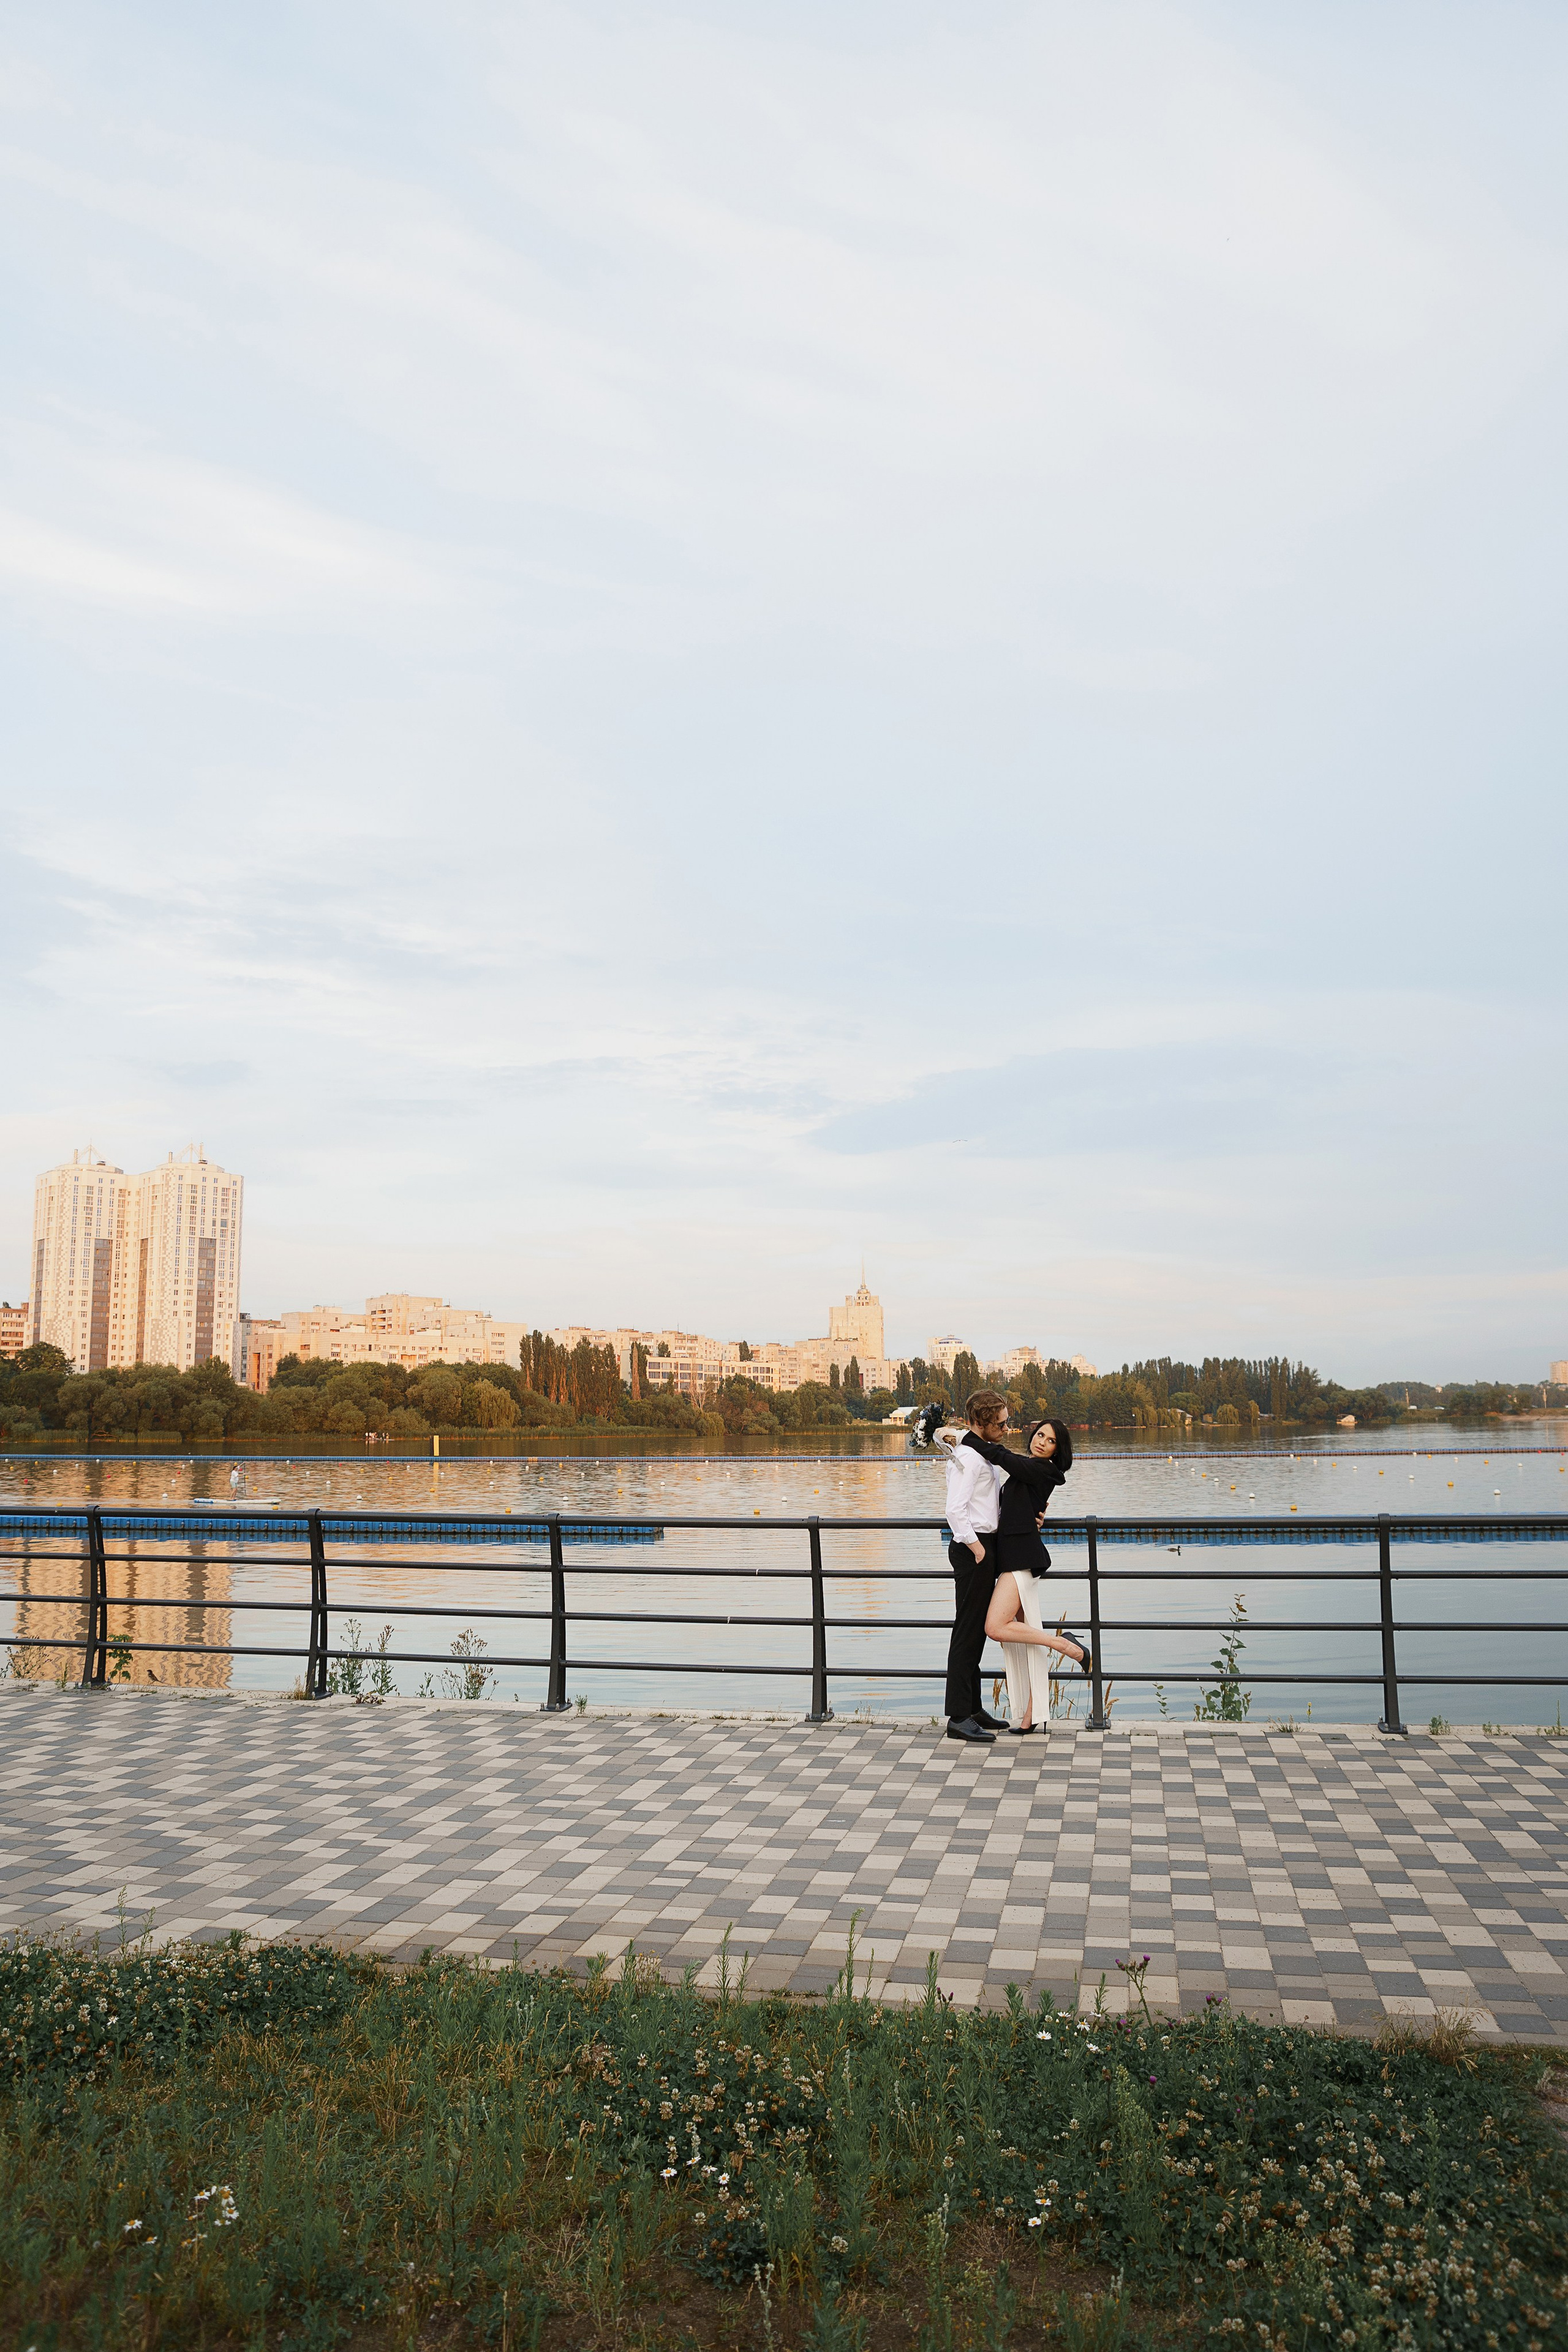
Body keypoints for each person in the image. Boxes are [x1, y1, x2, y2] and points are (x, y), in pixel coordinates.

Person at [944, 1417, 1091, 1733]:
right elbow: (1013, 1504)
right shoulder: (1030, 1468)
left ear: (1058, 1449)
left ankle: (1066, 1645)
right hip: (1010, 1560)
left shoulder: (1046, 1470)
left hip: (1021, 1562)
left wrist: (963, 1437)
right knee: (1024, 1639)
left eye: (1050, 1440)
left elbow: (1000, 1456)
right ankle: (1031, 1715)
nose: (1041, 1442)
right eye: (1039, 1435)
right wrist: (1036, 1516)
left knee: (995, 1628)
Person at [935, 1386, 1014, 1743]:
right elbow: (955, 1509)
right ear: (984, 1424)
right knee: (967, 1632)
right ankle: (958, 1716)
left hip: (984, 1547)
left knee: (978, 1630)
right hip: (974, 1551)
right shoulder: (968, 1459)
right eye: (1001, 1424)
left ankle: (974, 1708)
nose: (1006, 1429)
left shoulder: (979, 1456)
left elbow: (987, 1504)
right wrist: (978, 1549)